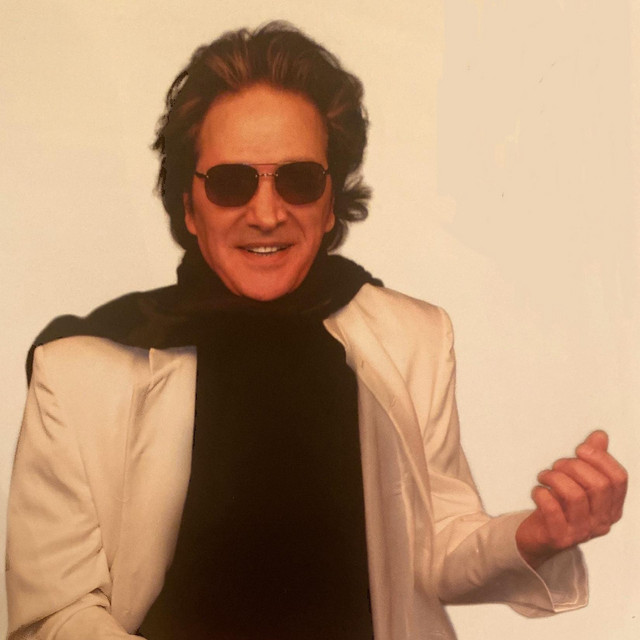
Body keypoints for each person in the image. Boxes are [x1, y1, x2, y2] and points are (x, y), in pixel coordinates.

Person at [5, 21, 627, 640]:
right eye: (231, 182)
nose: (267, 213)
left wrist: (536, 536)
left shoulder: (413, 339)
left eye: (298, 180)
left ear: (331, 203)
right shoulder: (79, 370)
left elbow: (435, 544)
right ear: (189, 207)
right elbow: (54, 614)